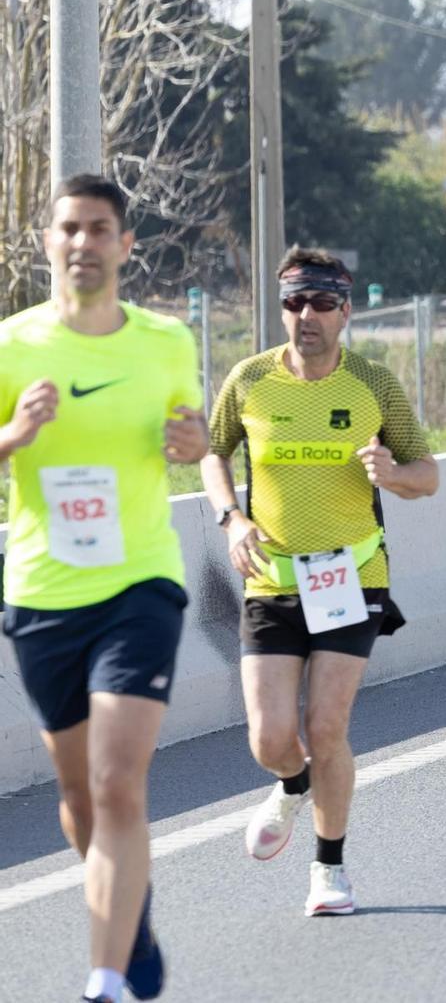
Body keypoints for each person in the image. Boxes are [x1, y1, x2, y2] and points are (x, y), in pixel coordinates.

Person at [0, 175, 206, 1003]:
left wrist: (192, 440)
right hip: (43, 588)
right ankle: (134, 915)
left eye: (99, 230)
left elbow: (188, 437)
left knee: (120, 781)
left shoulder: (165, 341)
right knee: (81, 797)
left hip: (139, 581)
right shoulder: (12, 345)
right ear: (47, 243)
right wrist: (14, 434)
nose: (83, 242)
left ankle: (106, 979)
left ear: (125, 246)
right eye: (69, 229)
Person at [202, 248, 438, 917]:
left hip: (350, 574)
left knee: (326, 722)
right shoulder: (249, 380)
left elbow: (428, 473)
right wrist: (231, 517)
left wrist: (393, 474)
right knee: (270, 738)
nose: (306, 315)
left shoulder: (373, 384)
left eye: (321, 302)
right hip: (271, 577)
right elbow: (214, 453)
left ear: (346, 309)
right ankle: (292, 781)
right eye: (293, 302)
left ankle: (329, 869)